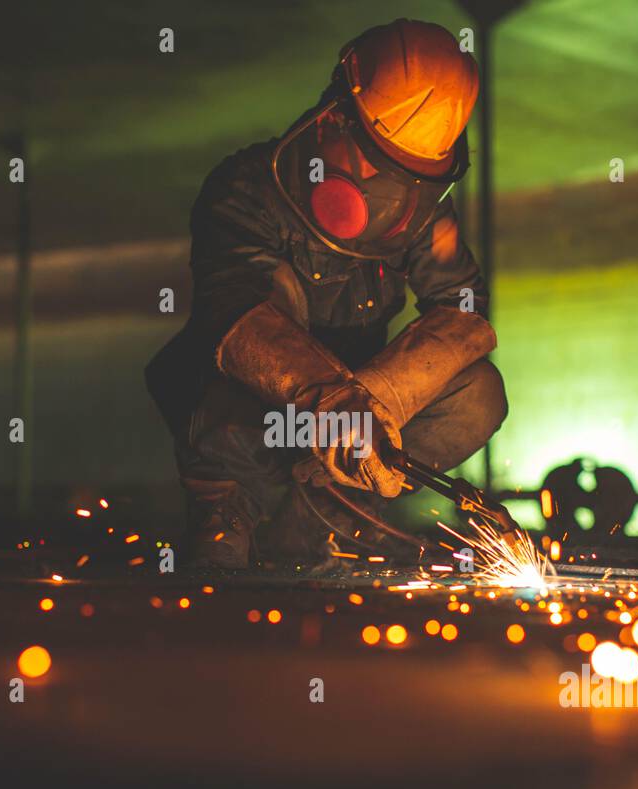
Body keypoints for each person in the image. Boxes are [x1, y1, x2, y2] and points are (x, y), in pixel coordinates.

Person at [147, 19, 506, 569]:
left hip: (351, 418)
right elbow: (235, 315)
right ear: (335, 121)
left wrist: (384, 395)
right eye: (383, 169)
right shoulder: (245, 189)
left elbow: (464, 310)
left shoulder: (422, 213)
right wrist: (334, 404)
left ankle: (330, 514)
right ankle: (228, 511)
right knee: (241, 360)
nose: (393, 201)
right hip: (252, 406)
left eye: (411, 181)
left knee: (478, 391)